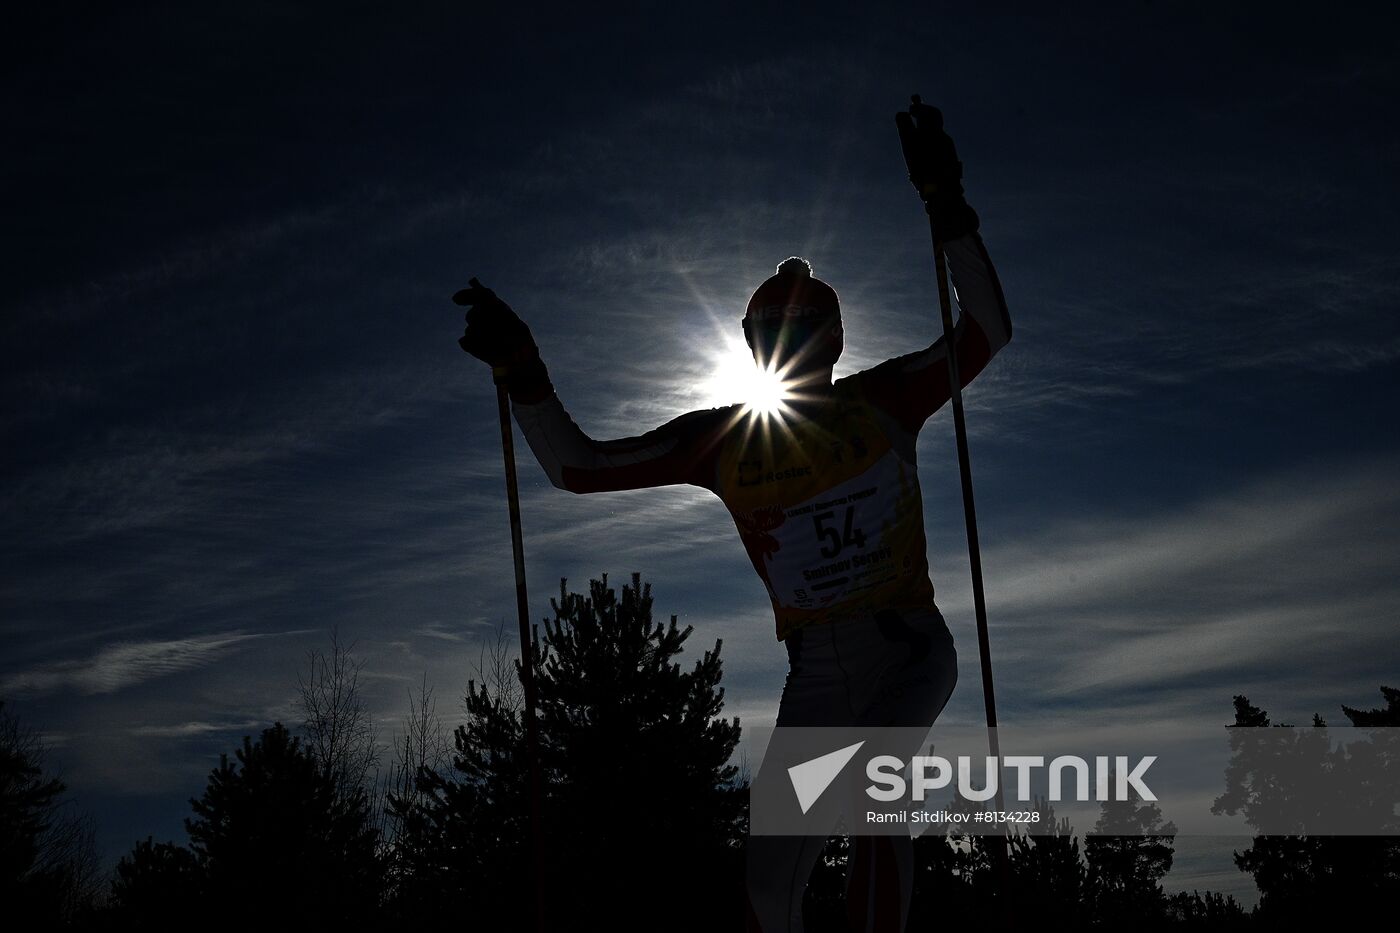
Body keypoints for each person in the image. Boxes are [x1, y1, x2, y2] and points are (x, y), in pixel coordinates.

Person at [455, 107, 1011, 932]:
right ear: (753, 344)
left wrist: (950, 207)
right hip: (817, 674)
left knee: (871, 792)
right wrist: (524, 370)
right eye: (771, 332)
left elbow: (986, 331)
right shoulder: (726, 440)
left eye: (799, 329)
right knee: (767, 883)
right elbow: (579, 468)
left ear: (831, 337)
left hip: (905, 646)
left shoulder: (881, 401)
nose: (786, 341)